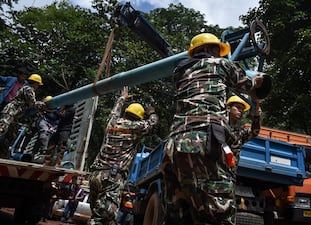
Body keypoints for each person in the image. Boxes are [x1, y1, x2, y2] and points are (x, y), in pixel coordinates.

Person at [161, 33, 271, 225]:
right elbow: (248, 83)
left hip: (174, 144)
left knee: (180, 212)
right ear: (210, 49)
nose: (219, 54)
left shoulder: (178, 72)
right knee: (220, 212)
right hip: (204, 140)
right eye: (217, 50)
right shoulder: (221, 64)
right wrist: (259, 83)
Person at [88, 86, 159, 225]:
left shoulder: (112, 122)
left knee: (104, 217)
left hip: (95, 175)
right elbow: (153, 124)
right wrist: (152, 112)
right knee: (103, 218)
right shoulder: (135, 128)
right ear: (138, 117)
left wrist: (122, 98)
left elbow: (115, 111)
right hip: (112, 177)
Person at [0, 73, 44, 159]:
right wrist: (43, 104)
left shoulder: (27, 88)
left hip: (17, 115)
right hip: (11, 110)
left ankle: (2, 154)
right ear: (35, 83)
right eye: (38, 84)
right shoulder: (28, 89)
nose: (38, 86)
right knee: (2, 128)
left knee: (11, 135)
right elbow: (32, 103)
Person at [43, 103, 75, 167]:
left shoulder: (71, 110)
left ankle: (57, 163)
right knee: (51, 144)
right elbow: (55, 117)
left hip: (65, 130)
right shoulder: (63, 109)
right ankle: (47, 162)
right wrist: (46, 112)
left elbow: (63, 116)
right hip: (59, 129)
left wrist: (54, 111)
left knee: (61, 147)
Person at [35, 96, 59, 161]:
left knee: (53, 138)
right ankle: (42, 151)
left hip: (53, 125)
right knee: (44, 132)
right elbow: (35, 104)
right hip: (44, 122)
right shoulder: (41, 106)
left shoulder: (57, 109)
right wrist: (44, 107)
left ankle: (50, 155)